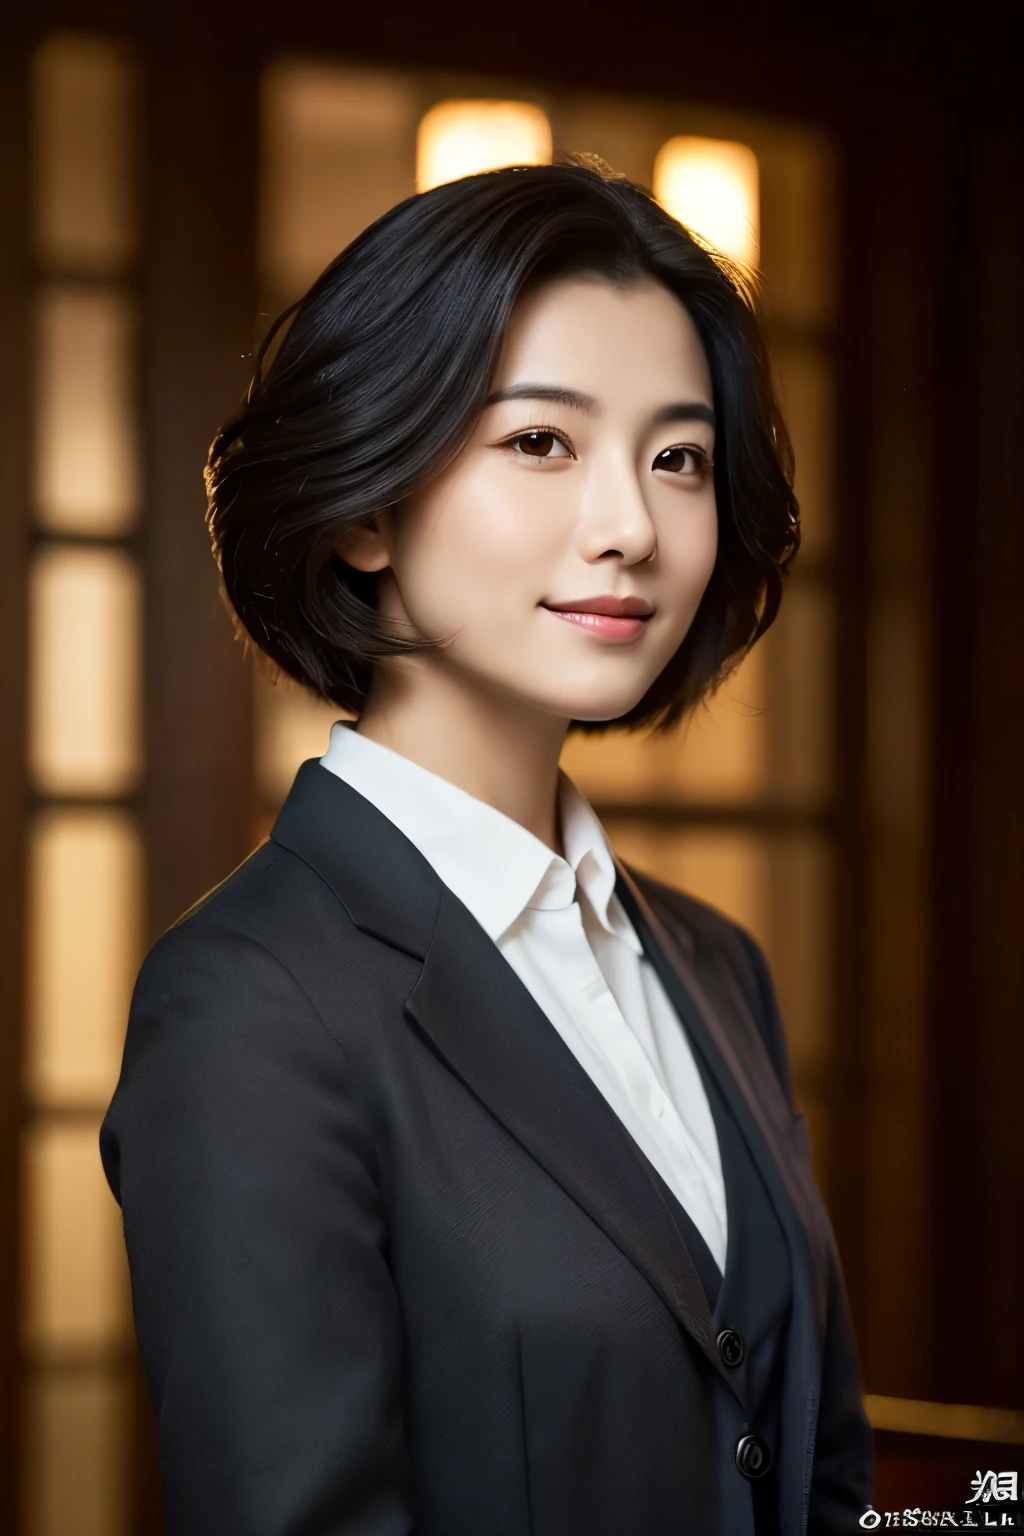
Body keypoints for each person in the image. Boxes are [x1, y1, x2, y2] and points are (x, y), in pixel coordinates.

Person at [99, 159, 874, 1535]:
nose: (632, 525)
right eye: (541, 443)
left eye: (678, 457)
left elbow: (814, 1468)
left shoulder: (713, 964)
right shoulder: (248, 1005)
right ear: (363, 508)